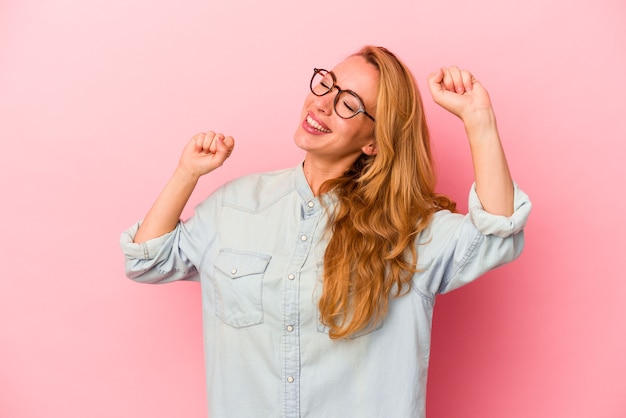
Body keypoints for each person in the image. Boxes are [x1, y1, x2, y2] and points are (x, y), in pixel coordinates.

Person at [120, 45, 531, 418]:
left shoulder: (406, 229)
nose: (322, 104)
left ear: (373, 141)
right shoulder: (235, 204)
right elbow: (147, 261)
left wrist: (479, 121)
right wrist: (187, 173)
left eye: (348, 103)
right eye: (325, 84)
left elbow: (495, 236)